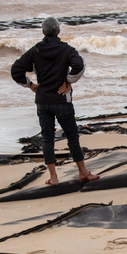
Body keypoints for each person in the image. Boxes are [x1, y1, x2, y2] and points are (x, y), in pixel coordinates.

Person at [10, 18, 100, 186]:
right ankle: (82, 172)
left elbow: (16, 69)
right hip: (62, 100)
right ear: (59, 31)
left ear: (43, 32)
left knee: (47, 138)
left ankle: (53, 177)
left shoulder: (35, 50)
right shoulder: (66, 49)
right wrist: (69, 81)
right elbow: (79, 65)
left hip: (43, 100)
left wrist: (30, 84)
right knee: (72, 136)